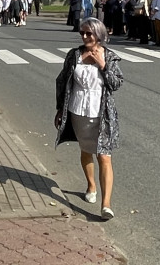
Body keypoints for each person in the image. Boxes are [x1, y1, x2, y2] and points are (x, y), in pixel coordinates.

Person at [54, 18, 123, 221]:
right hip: (77, 110)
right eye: (82, 33)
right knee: (86, 150)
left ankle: (106, 204)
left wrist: (102, 65)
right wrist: (60, 109)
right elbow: (62, 81)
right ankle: (91, 185)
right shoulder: (74, 55)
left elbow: (116, 84)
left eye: (88, 34)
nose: (84, 37)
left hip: (101, 113)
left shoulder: (110, 57)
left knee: (104, 156)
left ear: (98, 35)